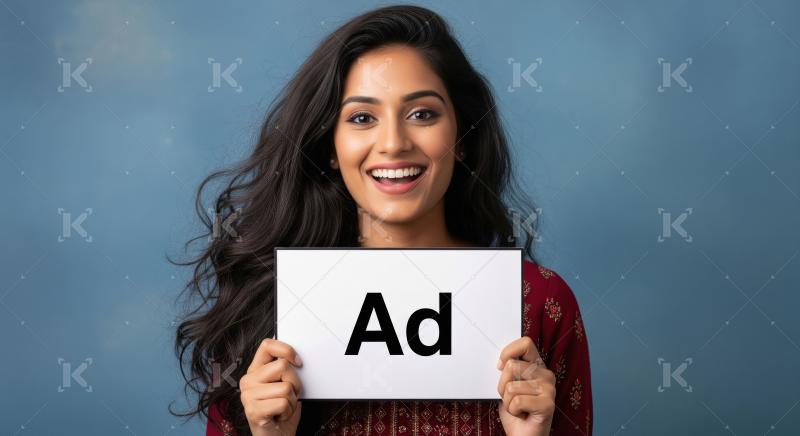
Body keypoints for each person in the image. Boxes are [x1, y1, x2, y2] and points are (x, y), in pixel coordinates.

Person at [171, 5, 592, 435]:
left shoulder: (539, 304)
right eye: (362, 118)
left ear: (463, 137)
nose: (393, 143)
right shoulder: (264, 306)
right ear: (330, 148)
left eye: (422, 114)